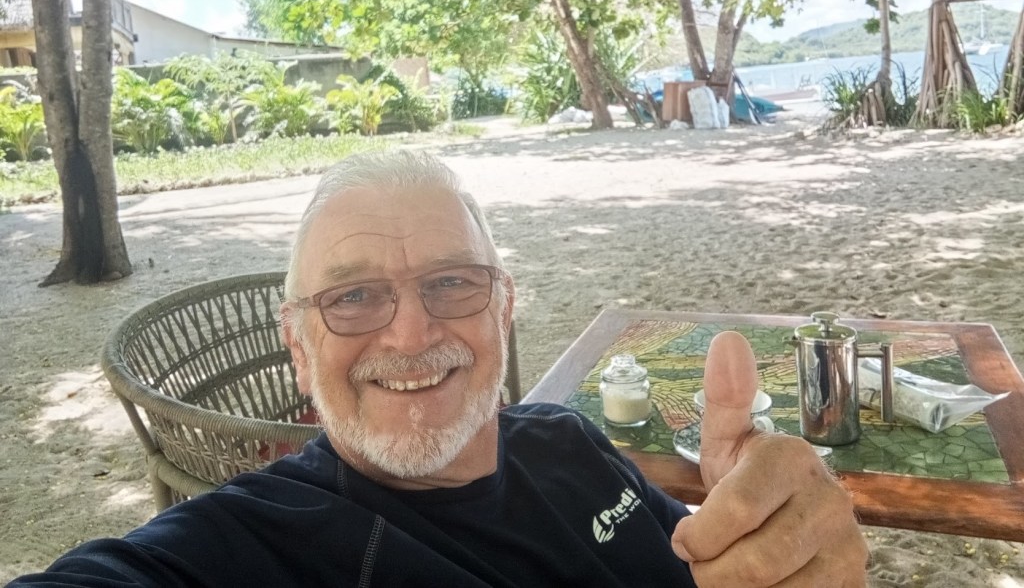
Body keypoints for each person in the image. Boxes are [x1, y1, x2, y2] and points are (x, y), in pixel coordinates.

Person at [10, 150, 868, 587]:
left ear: (503, 307)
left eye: (452, 282)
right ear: (297, 342)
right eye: (351, 297)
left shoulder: (569, 439)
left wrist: (780, 540)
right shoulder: (248, 544)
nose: (412, 331)